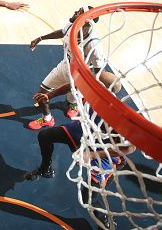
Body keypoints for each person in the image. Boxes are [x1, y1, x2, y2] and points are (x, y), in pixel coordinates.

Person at [26, 81, 135, 230]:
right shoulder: (93, 89)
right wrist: (49, 95)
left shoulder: (118, 117)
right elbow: (73, 84)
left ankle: (105, 218)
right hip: (83, 132)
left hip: (105, 152)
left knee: (88, 196)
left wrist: (92, 154)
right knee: (45, 136)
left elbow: (129, 148)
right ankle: (45, 169)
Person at [28, 6, 106, 130]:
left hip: (81, 76)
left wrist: (89, 87)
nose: (75, 11)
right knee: (41, 93)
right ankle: (47, 119)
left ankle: (74, 104)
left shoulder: (94, 45)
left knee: (73, 97)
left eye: (79, 11)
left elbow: (99, 72)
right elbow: (63, 32)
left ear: (85, 20)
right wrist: (40, 38)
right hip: (64, 67)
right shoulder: (72, 25)